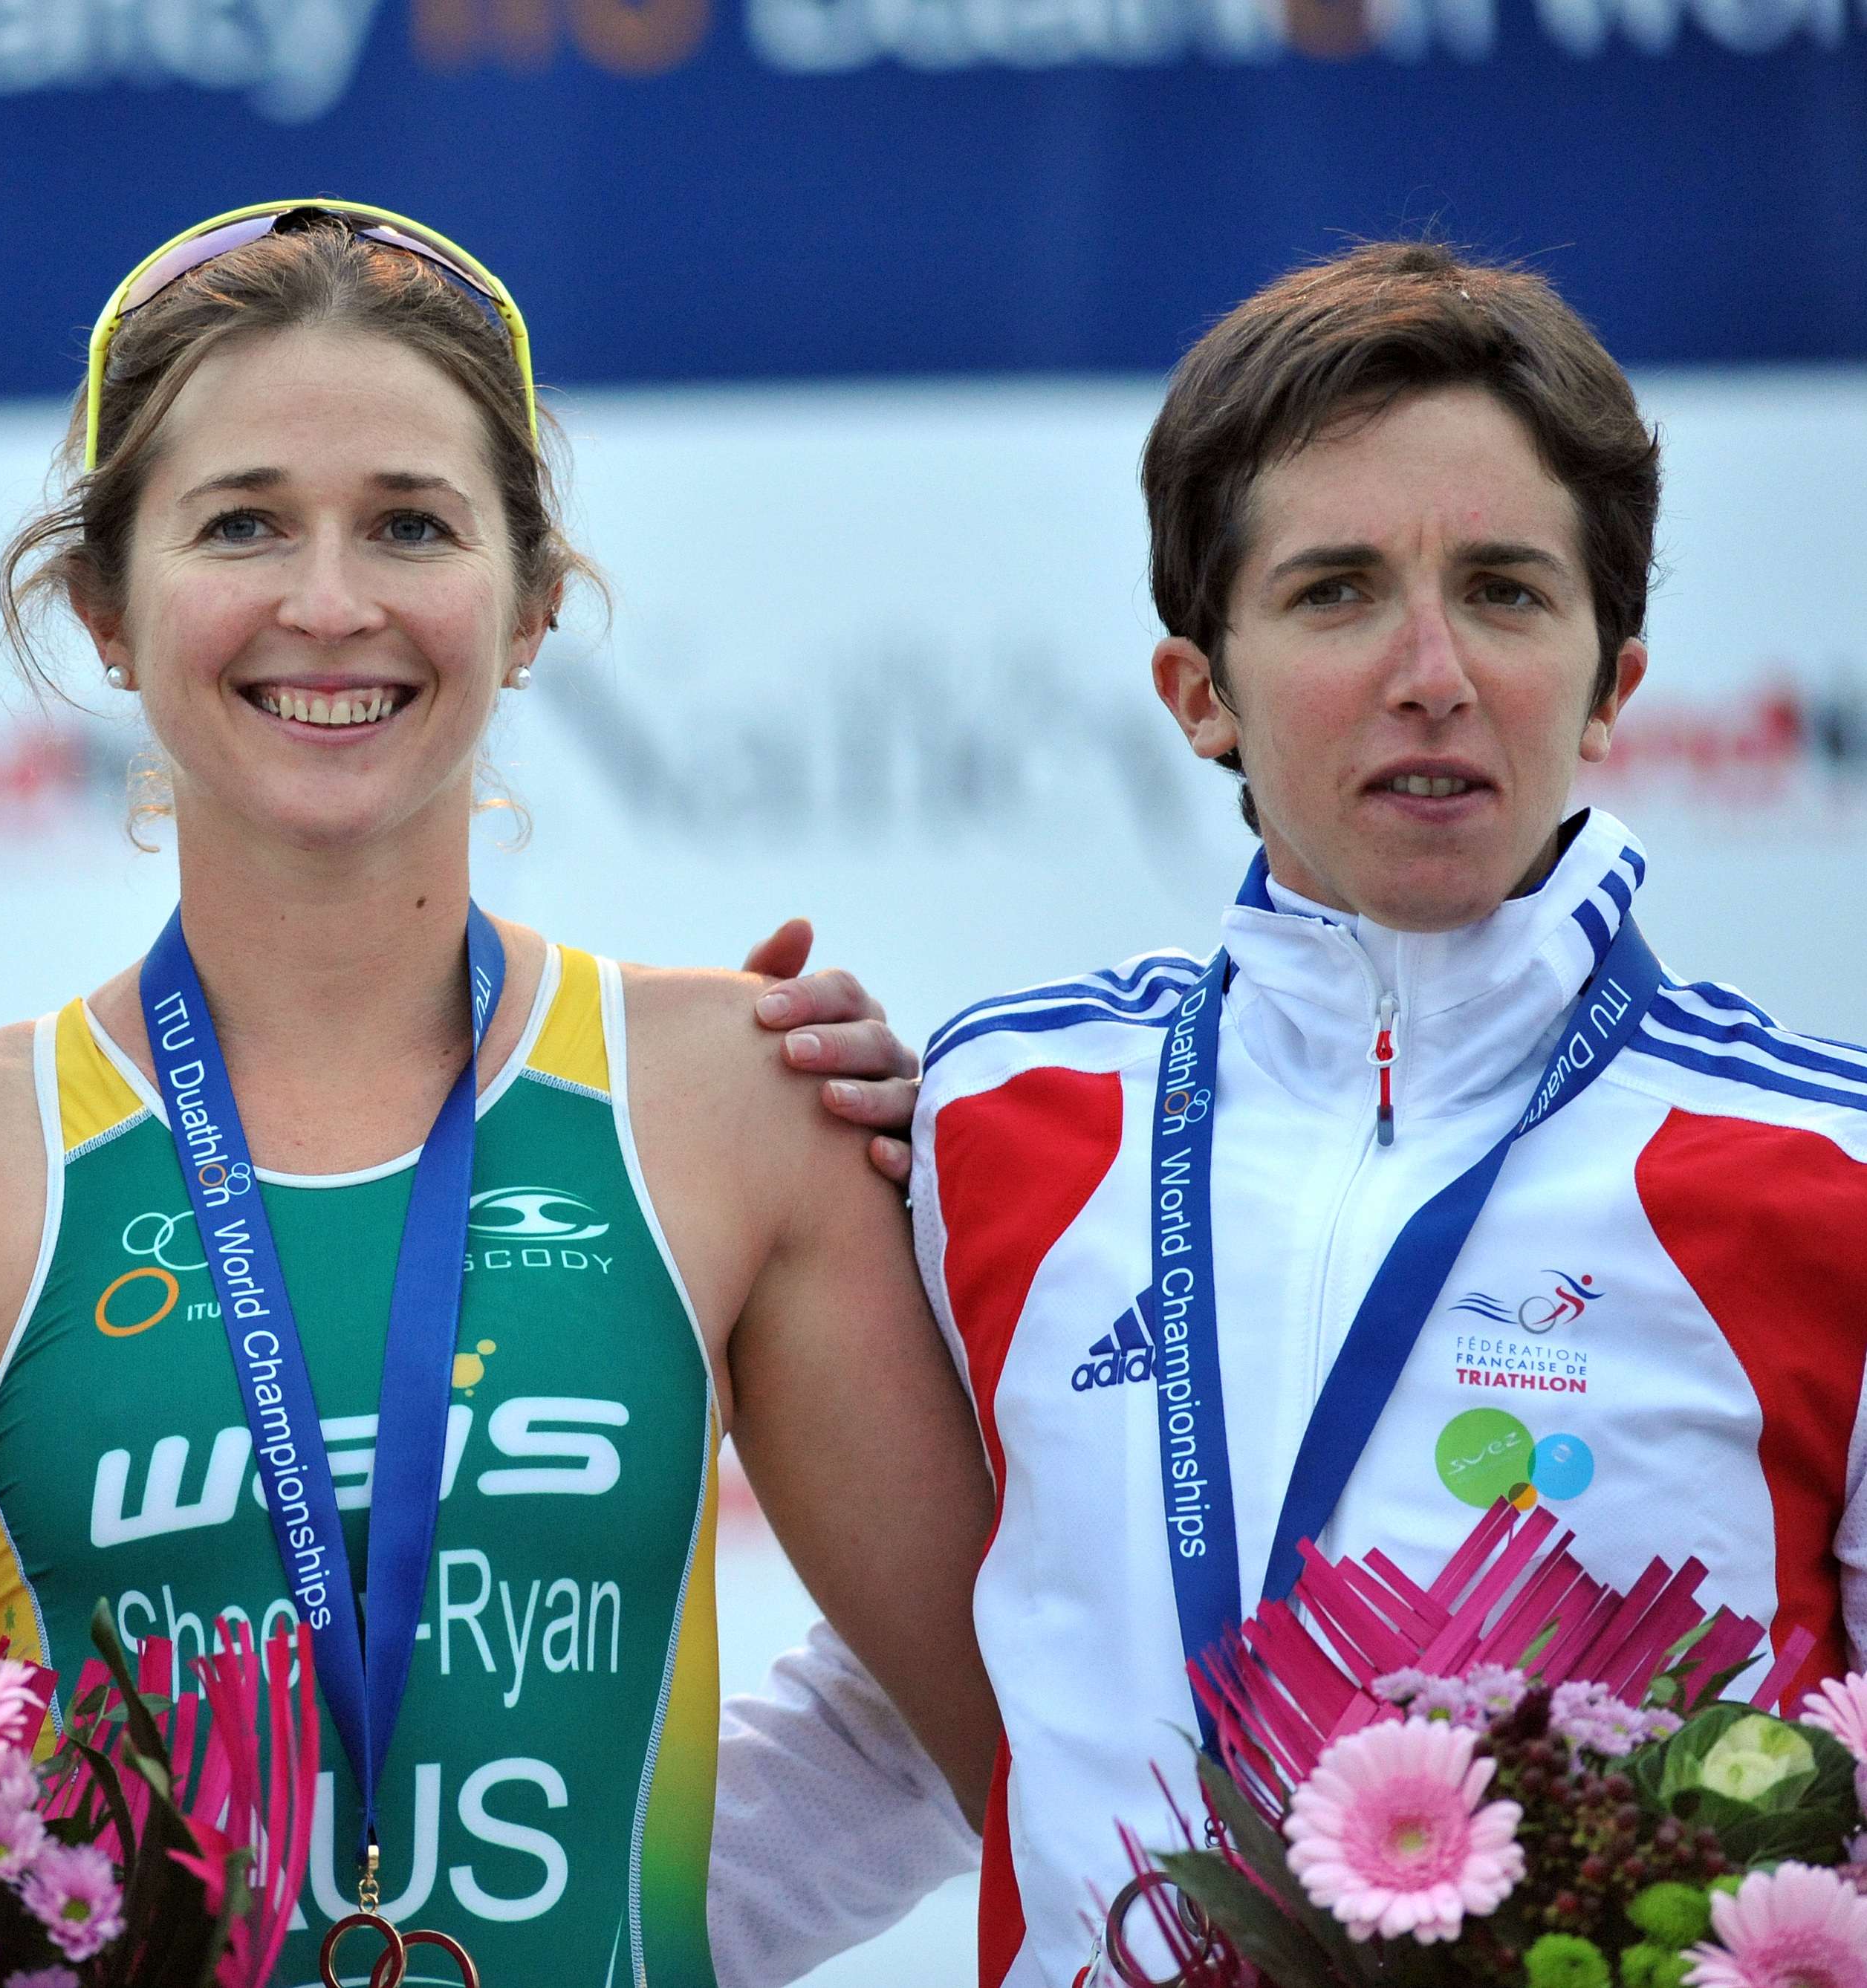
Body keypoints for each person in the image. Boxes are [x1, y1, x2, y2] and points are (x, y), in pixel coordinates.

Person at [0, 200, 999, 1985]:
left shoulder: (730, 1094)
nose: (328, 602)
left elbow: (1034, 1748)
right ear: (104, 608)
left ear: (528, 605)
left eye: (409, 525)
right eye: (243, 523)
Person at [715, 240, 1867, 1988]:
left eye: (1501, 589)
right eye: (1334, 592)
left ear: (1613, 681)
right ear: (1199, 694)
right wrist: (460, 1940)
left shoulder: (1825, 1175)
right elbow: (913, 1727)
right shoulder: (990, 1122)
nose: (1430, 671)